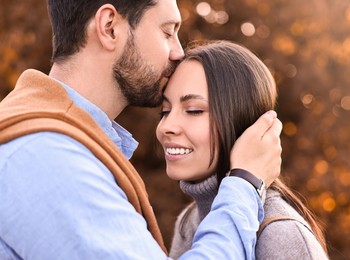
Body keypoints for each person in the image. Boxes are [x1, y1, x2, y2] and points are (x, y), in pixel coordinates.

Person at [0, 1, 283, 259]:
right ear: (109, 27)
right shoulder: (49, 157)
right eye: (167, 31)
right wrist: (246, 183)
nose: (178, 52)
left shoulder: (44, 140)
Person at [156, 40, 329, 259]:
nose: (166, 127)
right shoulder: (189, 221)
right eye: (165, 110)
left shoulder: (281, 235)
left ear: (243, 122)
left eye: (193, 110)